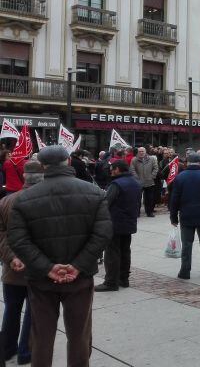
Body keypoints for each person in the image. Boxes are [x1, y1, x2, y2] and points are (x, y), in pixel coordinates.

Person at [8, 146, 112, 366]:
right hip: (79, 278)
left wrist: (47, 268)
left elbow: (18, 240)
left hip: (41, 279)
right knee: (80, 335)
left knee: (41, 335)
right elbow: (103, 234)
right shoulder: (94, 193)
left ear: (43, 166)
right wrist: (77, 265)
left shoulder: (24, 198)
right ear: (68, 162)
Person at [0, 161, 43, 365]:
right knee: (32, 311)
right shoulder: (46, 202)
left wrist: (11, 258)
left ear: (24, 176)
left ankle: (7, 349)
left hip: (13, 267)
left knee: (11, 308)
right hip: (37, 268)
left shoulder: (7, 201)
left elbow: (2, 235)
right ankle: (26, 351)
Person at [168, 152, 200, 279]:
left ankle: (185, 271)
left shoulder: (180, 177)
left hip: (186, 215)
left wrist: (173, 217)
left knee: (187, 245)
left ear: (187, 162)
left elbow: (174, 199)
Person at [95, 160, 142, 292]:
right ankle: (123, 279)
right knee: (125, 251)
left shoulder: (116, 184)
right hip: (129, 222)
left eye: (112, 168)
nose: (110, 171)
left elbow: (106, 202)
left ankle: (111, 282)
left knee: (112, 253)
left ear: (117, 170)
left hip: (115, 222)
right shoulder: (135, 182)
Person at [129, 147, 159, 217]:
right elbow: (132, 170)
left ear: (145, 152)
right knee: (137, 199)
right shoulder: (134, 160)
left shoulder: (152, 159)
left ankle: (149, 212)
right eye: (140, 151)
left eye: (142, 151)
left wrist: (152, 176)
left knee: (149, 198)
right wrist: (136, 178)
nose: (141, 153)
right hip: (138, 183)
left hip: (150, 182)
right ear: (137, 152)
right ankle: (137, 212)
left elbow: (156, 168)